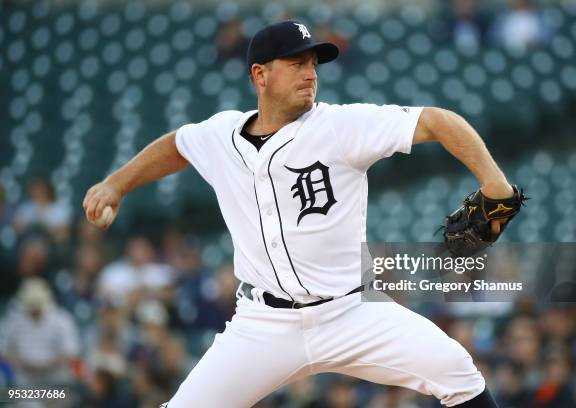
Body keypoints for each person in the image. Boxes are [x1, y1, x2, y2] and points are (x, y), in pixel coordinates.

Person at [83, 20, 515, 407]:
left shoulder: (341, 126)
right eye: (296, 63)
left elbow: (438, 121)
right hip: (263, 324)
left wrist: (495, 185)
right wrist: (116, 183)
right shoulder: (220, 134)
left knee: (457, 372)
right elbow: (177, 145)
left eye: (313, 63)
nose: (310, 73)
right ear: (260, 74)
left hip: (352, 313)